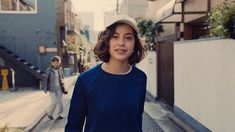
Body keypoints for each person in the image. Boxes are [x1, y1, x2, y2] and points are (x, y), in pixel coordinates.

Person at [65, 14, 147, 132]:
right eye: (115, 36)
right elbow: (73, 127)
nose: (121, 43)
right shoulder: (86, 80)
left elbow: (137, 120)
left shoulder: (140, 78)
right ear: (107, 41)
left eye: (128, 37)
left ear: (135, 44)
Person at [43, 55, 67, 120]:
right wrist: (45, 88)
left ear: (59, 63)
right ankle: (49, 113)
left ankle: (60, 114)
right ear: (52, 63)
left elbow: (62, 77)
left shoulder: (60, 69)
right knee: (54, 102)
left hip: (59, 88)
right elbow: (46, 79)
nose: (56, 64)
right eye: (54, 62)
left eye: (57, 62)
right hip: (52, 89)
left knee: (60, 101)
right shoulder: (49, 70)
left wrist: (63, 86)